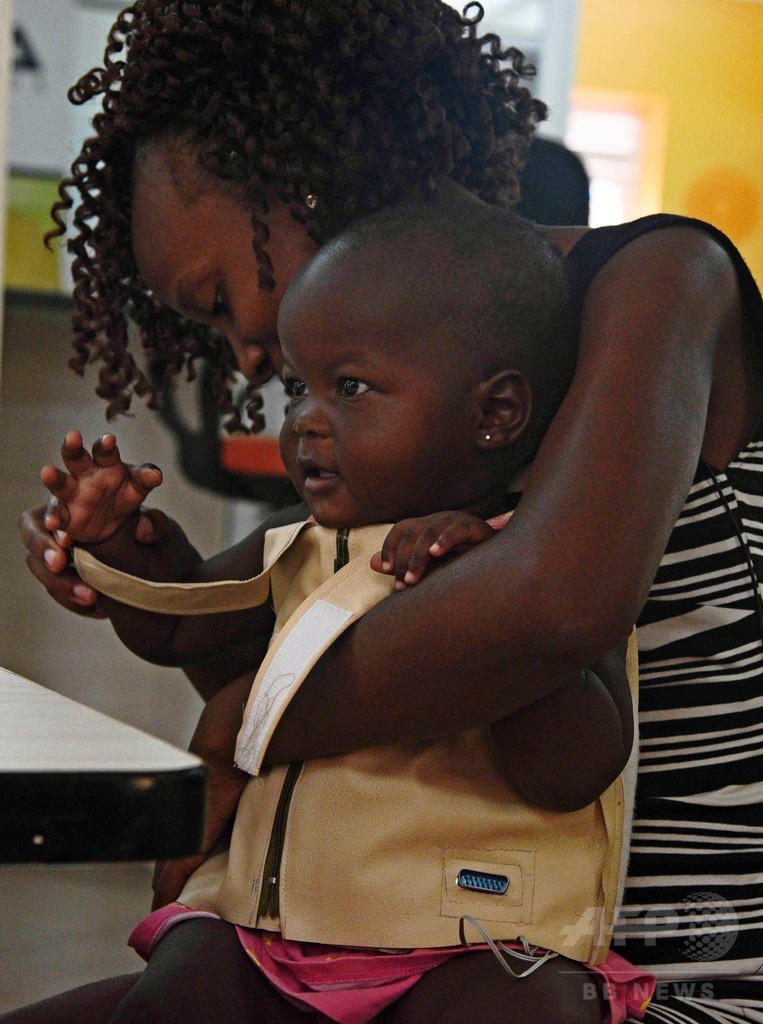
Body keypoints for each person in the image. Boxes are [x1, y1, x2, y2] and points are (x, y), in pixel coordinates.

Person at [15, 1, 763, 1021]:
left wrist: (240, 727)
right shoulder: (381, 424)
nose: (245, 357)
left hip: (640, 976)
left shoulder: (658, 280)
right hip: (380, 948)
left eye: (221, 299)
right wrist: (134, 568)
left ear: (302, 185)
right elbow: (284, 653)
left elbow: (547, 605)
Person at [14, 198, 648, 1024]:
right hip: (266, 934)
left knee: (536, 1007)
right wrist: (122, 549)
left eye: (348, 388)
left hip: (475, 939)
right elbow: (178, 627)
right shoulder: (301, 542)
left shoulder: (537, 563)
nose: (305, 421)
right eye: (297, 389)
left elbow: (571, 771)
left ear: (494, 413)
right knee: (180, 983)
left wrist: (482, 604)